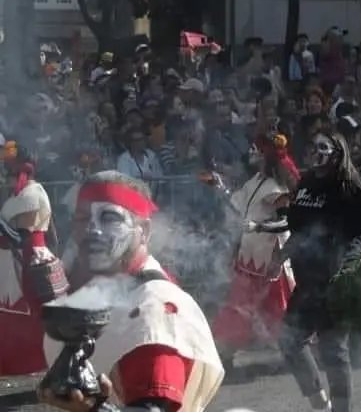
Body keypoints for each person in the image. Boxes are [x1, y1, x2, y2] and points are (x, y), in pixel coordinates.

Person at [37, 171, 223, 412]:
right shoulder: (99, 288)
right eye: (83, 218)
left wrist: (94, 409)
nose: (93, 230)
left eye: (109, 218)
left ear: (143, 231)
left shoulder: (153, 310)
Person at [251, 131, 361, 412]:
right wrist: (281, 256)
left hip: (335, 278)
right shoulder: (307, 183)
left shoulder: (348, 186)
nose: (314, 151)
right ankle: (319, 404)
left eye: (321, 147)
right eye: (312, 146)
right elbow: (296, 226)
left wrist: (349, 270)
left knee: (333, 350)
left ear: (336, 153)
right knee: (290, 340)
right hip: (308, 278)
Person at [212, 133, 300, 372]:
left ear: (266, 154)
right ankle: (228, 352)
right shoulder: (256, 180)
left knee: (278, 312)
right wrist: (221, 189)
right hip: (249, 257)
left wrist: (276, 258)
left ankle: (296, 354)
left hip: (270, 260)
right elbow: (237, 206)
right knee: (239, 305)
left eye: (256, 148)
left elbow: (287, 223)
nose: (251, 151)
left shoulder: (277, 188)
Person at [0, 142, 57, 377]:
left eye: (10, 172)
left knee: (29, 312)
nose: (7, 177)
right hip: (16, 259)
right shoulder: (25, 193)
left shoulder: (31, 194)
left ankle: (32, 361)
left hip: (25, 260)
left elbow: (20, 237)